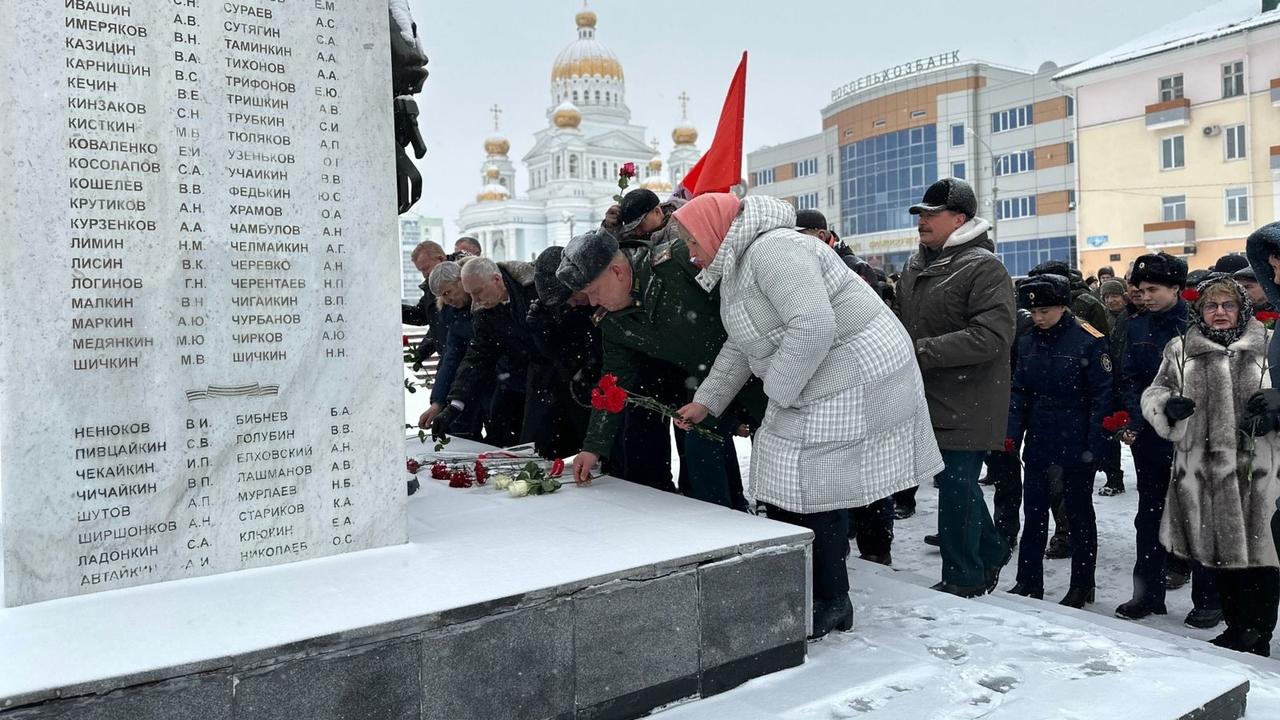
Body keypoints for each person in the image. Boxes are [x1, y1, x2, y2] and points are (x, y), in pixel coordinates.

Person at [671, 193, 942, 638]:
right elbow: (744, 341)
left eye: (690, 240)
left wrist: (777, 391)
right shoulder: (741, 264)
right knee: (787, 478)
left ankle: (831, 599)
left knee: (815, 483)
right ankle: (808, 587)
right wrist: (708, 400)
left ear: (714, 231)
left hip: (859, 369)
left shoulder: (773, 249)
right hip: (822, 369)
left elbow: (814, 325)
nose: (690, 251)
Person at [557, 229, 762, 509]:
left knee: (782, 466)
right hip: (710, 387)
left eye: (594, 292)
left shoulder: (677, 262)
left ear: (617, 272)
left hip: (760, 369)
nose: (592, 302)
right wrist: (593, 447)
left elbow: (743, 299)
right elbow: (614, 382)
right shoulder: (612, 321)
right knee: (700, 453)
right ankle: (721, 530)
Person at [1141, 275, 1279, 656]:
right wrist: (1167, 407)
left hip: (1260, 474)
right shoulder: (1180, 350)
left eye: (1228, 305)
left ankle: (1257, 635)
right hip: (1203, 472)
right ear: (1199, 311)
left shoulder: (1269, 345)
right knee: (1218, 557)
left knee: (1261, 561)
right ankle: (1234, 629)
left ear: (1242, 308)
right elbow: (1155, 390)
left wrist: (1275, 414)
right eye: (1211, 306)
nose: (1220, 313)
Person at [895, 177, 1015, 597]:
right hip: (927, 396)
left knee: (957, 486)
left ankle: (963, 576)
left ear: (959, 218)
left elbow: (992, 336)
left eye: (931, 214)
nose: (922, 221)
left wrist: (920, 350)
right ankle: (991, 548)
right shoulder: (915, 265)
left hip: (971, 396)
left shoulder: (984, 267)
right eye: (920, 214)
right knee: (953, 483)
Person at [1116, 252, 1221, 627]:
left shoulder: (1198, 329)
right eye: (1141, 290)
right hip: (1151, 440)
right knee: (1149, 518)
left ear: (1177, 288)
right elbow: (1129, 378)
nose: (1145, 296)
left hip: (1192, 440)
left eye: (1154, 289)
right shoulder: (1136, 327)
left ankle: (1208, 599)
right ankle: (1147, 594)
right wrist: (1138, 414)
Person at [795, 208, 897, 563]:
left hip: (862, 381)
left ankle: (876, 550)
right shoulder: (801, 268)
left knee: (867, 472)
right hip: (825, 386)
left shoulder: (855, 270)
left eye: (803, 234)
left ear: (822, 235)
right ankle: (845, 543)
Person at [1005, 274, 1110, 608]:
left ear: (1063, 306)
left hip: (1076, 441)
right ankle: (1027, 580)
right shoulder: (1028, 341)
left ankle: (1082, 585)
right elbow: (1020, 392)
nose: (1038, 317)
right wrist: (1011, 434)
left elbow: (1102, 397)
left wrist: (1095, 446)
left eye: (1045, 311)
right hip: (1039, 439)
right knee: (1034, 514)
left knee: (1078, 516)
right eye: (1033, 311)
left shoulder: (1088, 340)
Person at [430, 257, 540, 448]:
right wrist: (453, 405)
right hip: (513, 381)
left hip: (552, 379)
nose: (476, 301)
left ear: (496, 280)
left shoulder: (534, 289)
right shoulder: (483, 311)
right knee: (504, 440)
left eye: (478, 293)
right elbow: (477, 357)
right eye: (471, 295)